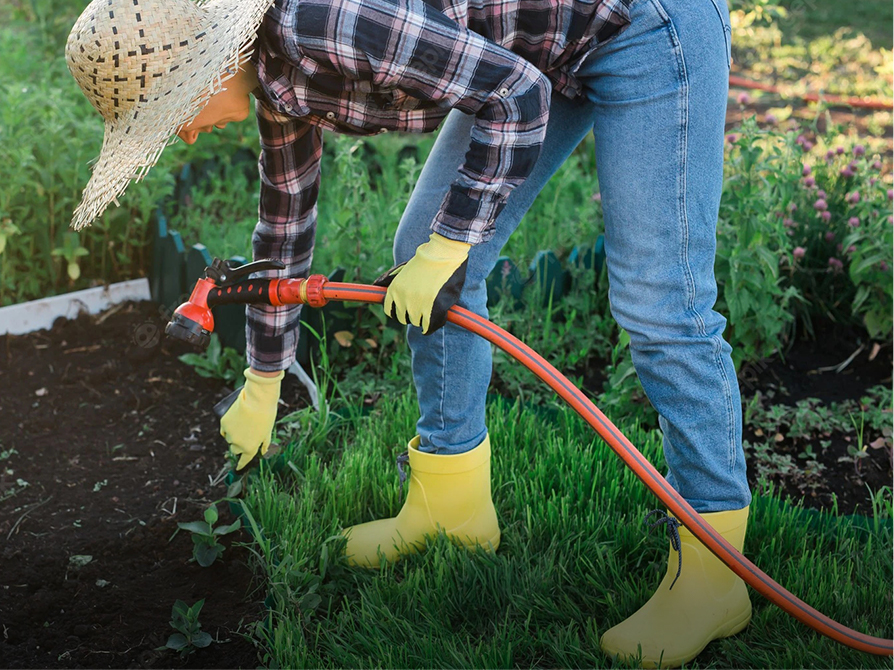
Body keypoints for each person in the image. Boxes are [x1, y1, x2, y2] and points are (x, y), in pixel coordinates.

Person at [65, 0, 753, 665]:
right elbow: (284, 226)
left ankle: (715, 572)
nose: (183, 136)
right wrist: (263, 377)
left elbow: (516, 96)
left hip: (648, 24)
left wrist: (452, 246)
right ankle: (451, 502)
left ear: (205, 67)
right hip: (548, 41)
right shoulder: (274, 76)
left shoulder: (319, 19)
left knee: (661, 303)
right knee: (421, 245)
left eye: (171, 115)